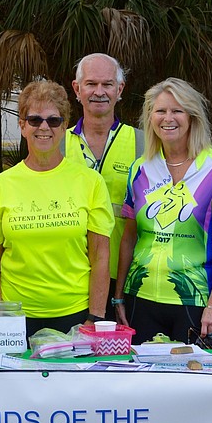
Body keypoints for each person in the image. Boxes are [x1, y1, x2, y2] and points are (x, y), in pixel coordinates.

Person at [0, 80, 113, 338]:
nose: (44, 127)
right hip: (15, 317)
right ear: (22, 126)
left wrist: (95, 317)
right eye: (34, 120)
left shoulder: (90, 182)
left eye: (53, 121)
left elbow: (100, 257)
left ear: (64, 127)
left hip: (75, 314)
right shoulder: (0, 185)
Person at [115, 77, 212, 344]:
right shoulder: (140, 169)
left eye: (177, 110)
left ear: (192, 116)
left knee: (190, 381)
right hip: (141, 294)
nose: (168, 118)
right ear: (150, 117)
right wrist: (118, 296)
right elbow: (129, 237)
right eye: (160, 111)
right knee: (141, 380)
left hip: (193, 297)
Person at [65, 53, 144, 322]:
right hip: (70, 275)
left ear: (119, 90)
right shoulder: (58, 144)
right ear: (77, 89)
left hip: (125, 276)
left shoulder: (142, 144)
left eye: (107, 84)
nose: (99, 92)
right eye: (91, 84)